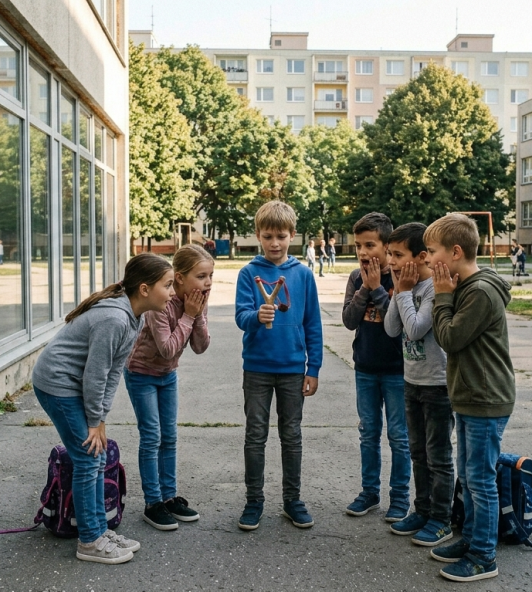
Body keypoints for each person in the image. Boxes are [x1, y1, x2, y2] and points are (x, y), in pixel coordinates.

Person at [31, 253, 175, 564]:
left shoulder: (133, 316)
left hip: (74, 385)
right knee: (87, 459)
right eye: (169, 285)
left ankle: (98, 529)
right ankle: (90, 541)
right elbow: (94, 375)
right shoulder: (115, 319)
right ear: (145, 288)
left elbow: (112, 372)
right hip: (57, 384)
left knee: (94, 456)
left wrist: (100, 418)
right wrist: (94, 419)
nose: (173, 292)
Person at [424, 213, 515, 582]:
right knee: (470, 474)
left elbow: (449, 338)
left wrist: (441, 296)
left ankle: (483, 556)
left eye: (432, 252)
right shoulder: (468, 285)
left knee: (480, 479)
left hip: (485, 397)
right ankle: (473, 539)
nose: (428, 260)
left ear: (456, 251)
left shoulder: (479, 291)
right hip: (469, 395)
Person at [234, 200, 323, 531]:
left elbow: (313, 324)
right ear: (258, 235)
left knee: (292, 434)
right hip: (257, 367)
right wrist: (257, 316)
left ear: (292, 235)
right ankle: (254, 500)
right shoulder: (249, 273)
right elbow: (241, 317)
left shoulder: (302, 275)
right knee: (255, 434)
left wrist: (313, 368)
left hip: (291, 369)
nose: (275, 243)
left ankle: (292, 500)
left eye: (281, 236)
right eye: (268, 236)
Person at [125, 245, 213, 531]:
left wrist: (196, 314)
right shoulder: (160, 303)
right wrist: (188, 316)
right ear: (179, 278)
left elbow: (200, 346)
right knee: (152, 437)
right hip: (142, 374)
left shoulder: (196, 301)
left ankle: (169, 496)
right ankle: (153, 503)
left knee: (170, 436)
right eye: (201, 276)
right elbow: (166, 349)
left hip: (167, 375)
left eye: (210, 276)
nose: (207, 283)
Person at [382, 223, 454, 547]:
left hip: (437, 386)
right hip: (411, 381)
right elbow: (391, 329)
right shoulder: (406, 288)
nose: (391, 262)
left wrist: (405, 292)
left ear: (420, 256)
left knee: (438, 455)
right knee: (418, 453)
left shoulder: (434, 290)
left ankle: (442, 519)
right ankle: (422, 509)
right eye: (389, 254)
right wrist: (399, 291)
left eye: (397, 255)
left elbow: (413, 329)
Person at [341, 213, 410, 523]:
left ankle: (400, 497)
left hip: (397, 370)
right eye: (358, 246)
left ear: (386, 245)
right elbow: (348, 320)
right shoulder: (357, 278)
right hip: (365, 367)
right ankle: (370, 492)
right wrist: (364, 289)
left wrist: (378, 289)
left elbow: (400, 326)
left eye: (370, 245)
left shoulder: (399, 276)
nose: (364, 252)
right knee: (368, 433)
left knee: (399, 436)